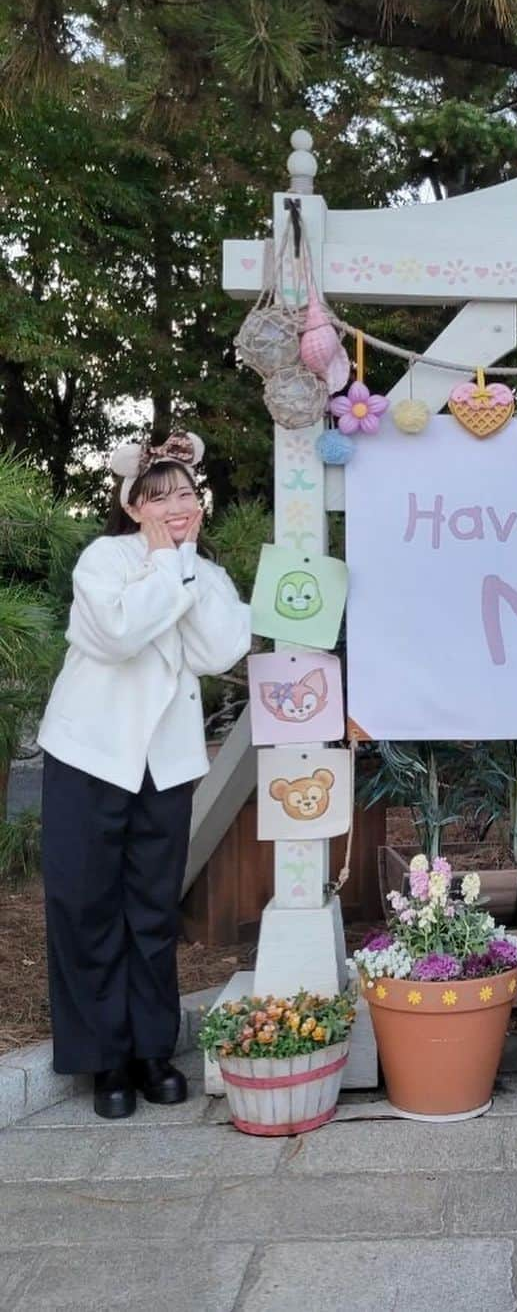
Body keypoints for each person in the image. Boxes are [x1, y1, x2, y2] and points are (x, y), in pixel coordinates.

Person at [37, 431, 251, 1118]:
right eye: (159, 496)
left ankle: (154, 1048)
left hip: (166, 764)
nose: (176, 505)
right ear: (133, 505)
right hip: (91, 754)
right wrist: (166, 566)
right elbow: (122, 631)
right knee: (86, 904)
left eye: (186, 493)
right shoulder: (104, 560)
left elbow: (221, 647)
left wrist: (186, 568)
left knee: (153, 909)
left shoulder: (202, 572)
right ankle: (105, 1059)